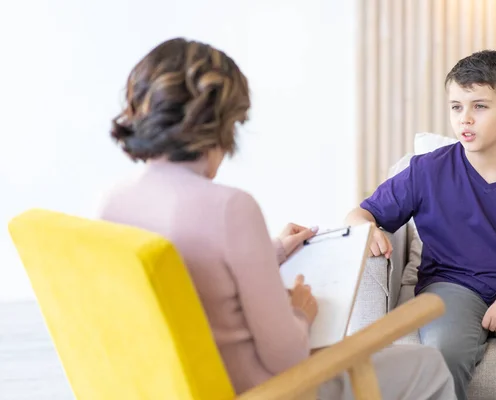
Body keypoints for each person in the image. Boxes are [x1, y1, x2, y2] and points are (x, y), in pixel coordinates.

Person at [99, 37, 455, 400]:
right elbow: (286, 355)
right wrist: (300, 312)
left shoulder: (115, 202)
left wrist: (269, 251)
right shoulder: (230, 209)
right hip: (267, 389)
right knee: (427, 363)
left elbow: (189, 270)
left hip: (167, 386)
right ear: (222, 124)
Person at [345, 49, 496, 400]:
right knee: (443, 352)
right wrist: (367, 229)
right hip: (450, 286)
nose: (464, 119)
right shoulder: (426, 171)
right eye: (456, 107)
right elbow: (361, 214)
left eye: (480, 106)